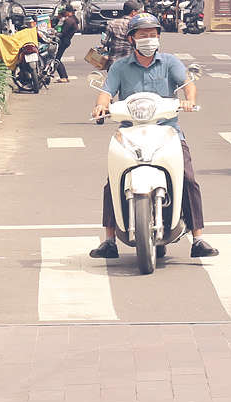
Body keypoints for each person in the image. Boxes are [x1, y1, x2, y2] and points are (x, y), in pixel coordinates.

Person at [89, 14, 216, 260]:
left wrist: (189, 101)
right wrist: (101, 106)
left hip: (167, 130)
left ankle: (198, 238)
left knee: (188, 178)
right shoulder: (120, 66)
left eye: (153, 34)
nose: (149, 39)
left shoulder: (170, 62)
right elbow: (106, 92)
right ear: (131, 39)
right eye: (143, 35)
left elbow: (188, 84)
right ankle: (109, 240)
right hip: (130, 131)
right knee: (113, 180)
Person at [54, 3, 81, 81]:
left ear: (70, 12)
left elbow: (63, 33)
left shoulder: (69, 21)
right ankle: (65, 77)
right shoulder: (72, 19)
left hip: (64, 41)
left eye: (65, 12)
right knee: (58, 58)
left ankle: (63, 77)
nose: (64, 14)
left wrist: (55, 34)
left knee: (56, 59)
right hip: (66, 41)